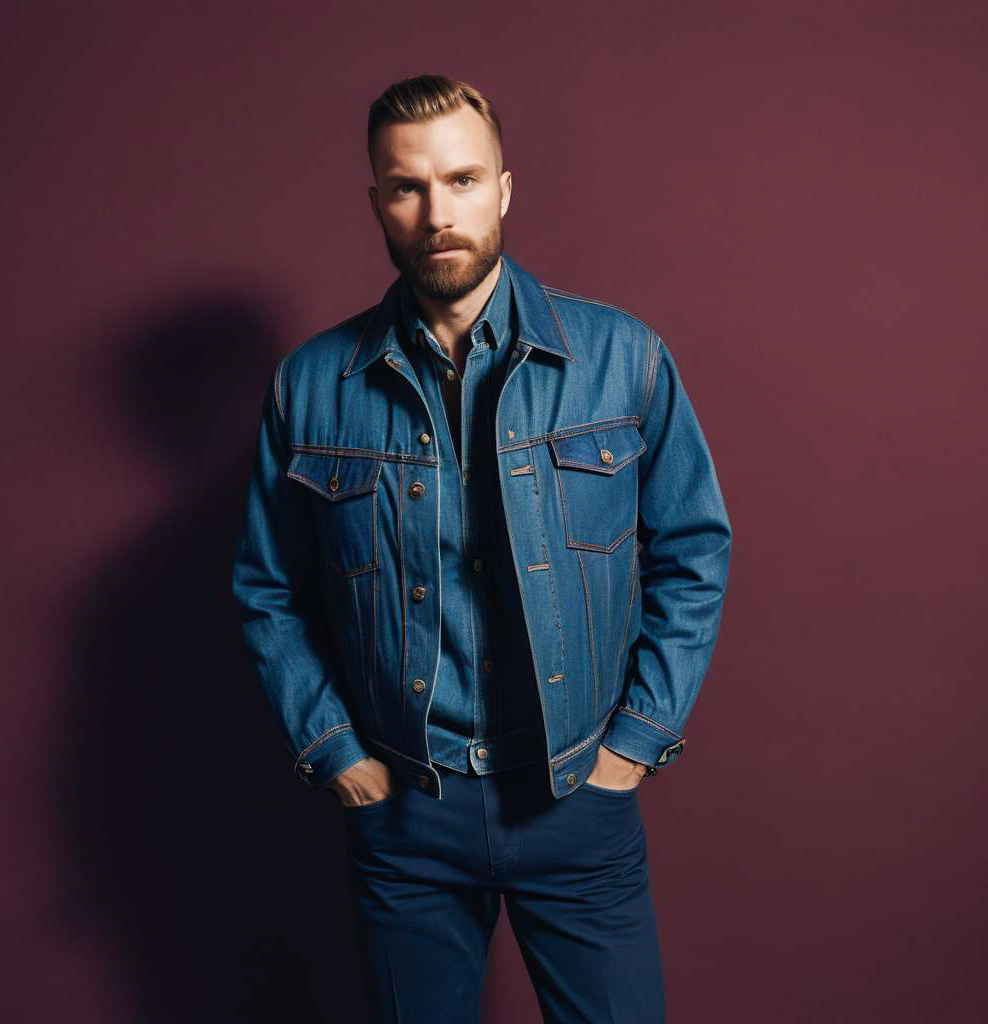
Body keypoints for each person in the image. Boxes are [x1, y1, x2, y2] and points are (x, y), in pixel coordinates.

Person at [231, 73, 731, 1024]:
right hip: (406, 810)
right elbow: (267, 588)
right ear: (377, 201)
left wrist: (635, 743)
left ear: (504, 188)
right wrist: (334, 750)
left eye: (462, 180)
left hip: (576, 798)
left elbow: (694, 549)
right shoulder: (311, 384)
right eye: (408, 187)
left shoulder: (623, 359)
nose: (437, 212)